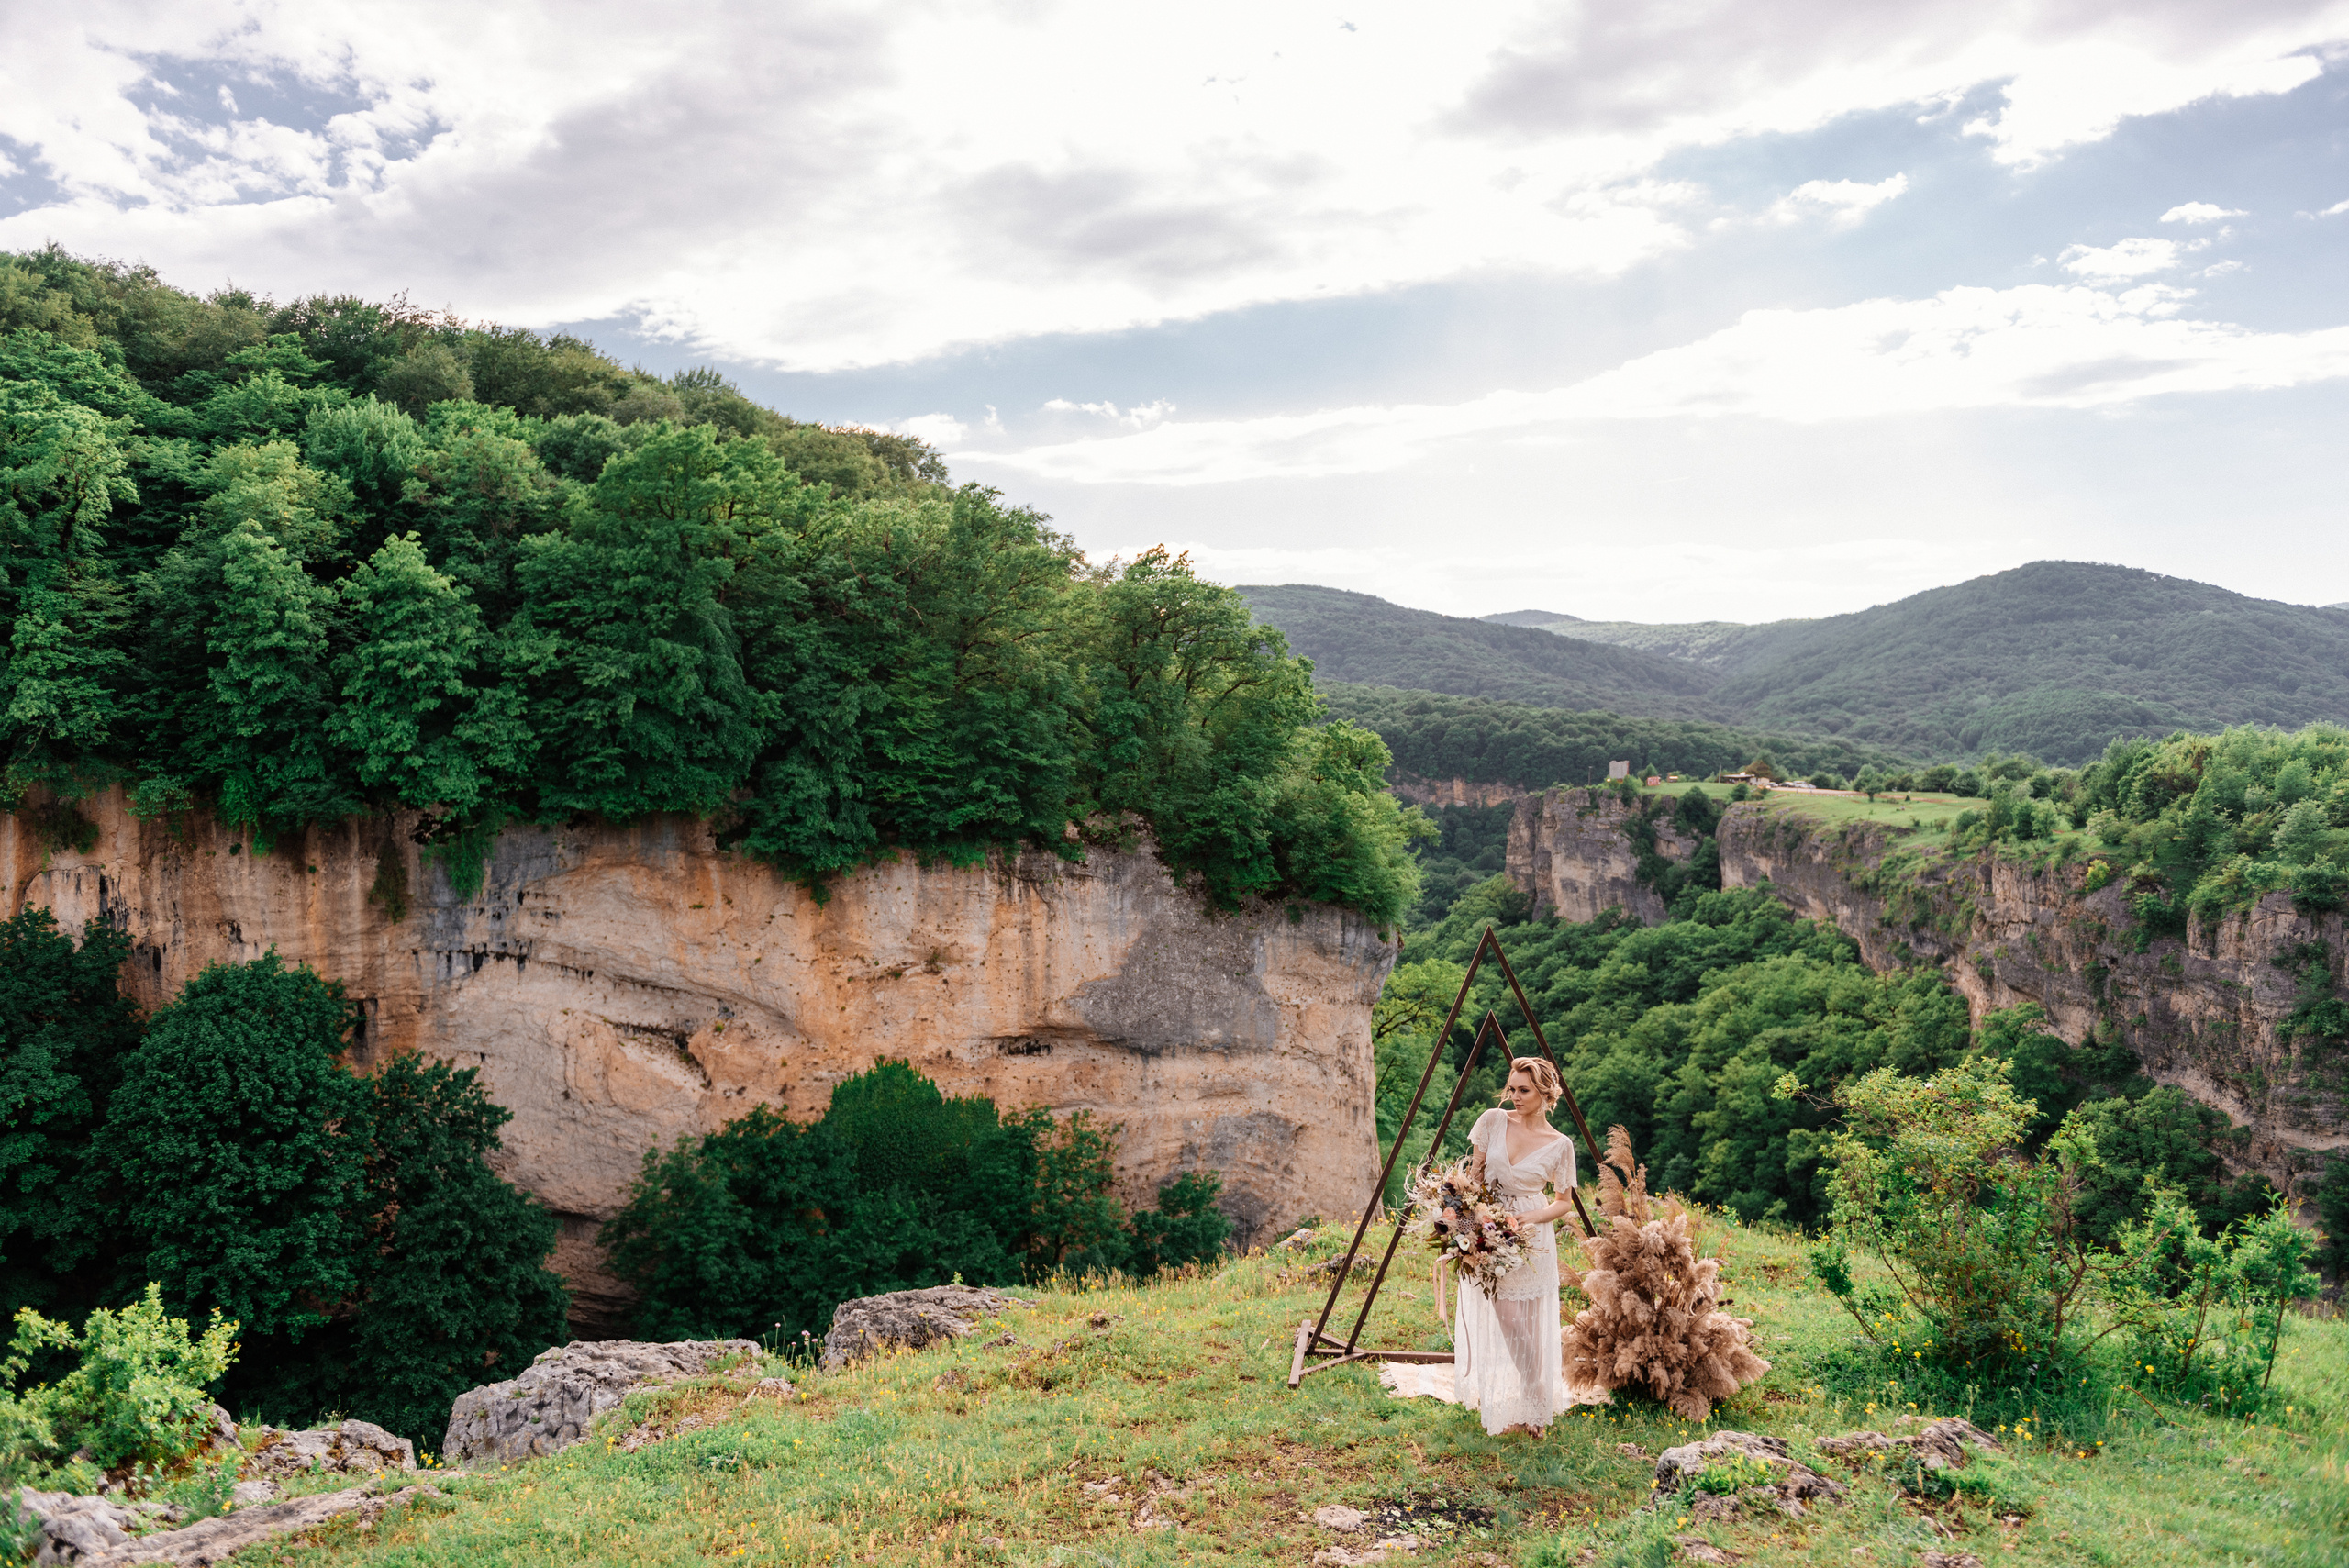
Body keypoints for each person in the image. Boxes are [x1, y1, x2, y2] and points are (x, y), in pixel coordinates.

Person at [1453, 1056, 1579, 1437]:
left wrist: (1532, 1219)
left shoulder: (1561, 1145)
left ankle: (1532, 1406)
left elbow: (1564, 1200)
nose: (1515, 1097)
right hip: (1490, 1228)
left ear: (1545, 1093)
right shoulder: (1493, 1120)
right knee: (1507, 1315)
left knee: (1529, 1320)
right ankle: (1536, 1389)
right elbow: (1472, 1179)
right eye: (1512, 1089)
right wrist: (1463, 1226)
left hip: (1531, 1235)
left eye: (1524, 1090)